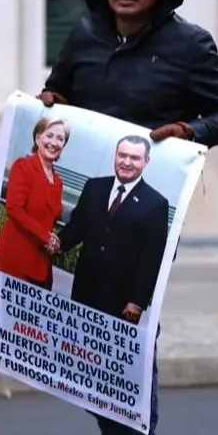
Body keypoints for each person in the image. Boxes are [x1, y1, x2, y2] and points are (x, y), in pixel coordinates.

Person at [38, 0, 218, 435]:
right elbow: (58, 93)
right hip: (95, 204)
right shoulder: (82, 34)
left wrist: (190, 131)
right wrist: (48, 101)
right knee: (80, 329)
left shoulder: (190, 45)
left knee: (129, 326)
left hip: (150, 213)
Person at [54, 134, 168, 320]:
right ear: (115, 155)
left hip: (121, 300)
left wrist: (138, 301)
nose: (126, 162)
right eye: (122, 155)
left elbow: (152, 258)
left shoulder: (156, 204)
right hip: (84, 287)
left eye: (134, 158)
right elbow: (78, 227)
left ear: (146, 161)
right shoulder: (94, 186)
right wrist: (57, 243)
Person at [0, 116, 69, 290]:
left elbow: (51, 218)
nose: (54, 143)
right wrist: (45, 236)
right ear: (37, 138)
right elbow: (14, 208)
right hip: (16, 259)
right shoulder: (23, 166)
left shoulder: (58, 181)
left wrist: (55, 242)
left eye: (60, 139)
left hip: (42, 265)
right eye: (49, 135)